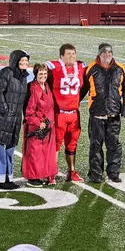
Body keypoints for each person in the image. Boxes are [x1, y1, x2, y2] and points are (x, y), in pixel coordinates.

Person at [82, 43, 125, 183]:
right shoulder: (91, 69)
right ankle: (96, 174)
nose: (107, 56)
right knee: (95, 145)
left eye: (109, 53)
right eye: (104, 53)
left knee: (114, 144)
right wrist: (72, 104)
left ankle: (113, 173)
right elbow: (81, 88)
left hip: (114, 114)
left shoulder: (120, 69)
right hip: (97, 114)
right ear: (99, 54)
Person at [0, 50, 30, 190]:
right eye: (21, 60)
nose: (24, 63)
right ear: (14, 60)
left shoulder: (23, 77)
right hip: (1, 118)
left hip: (14, 119)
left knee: (10, 148)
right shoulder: (5, 72)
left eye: (26, 61)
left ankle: (8, 178)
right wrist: (6, 111)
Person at [46, 43, 87, 182]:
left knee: (72, 144)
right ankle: (51, 173)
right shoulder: (54, 67)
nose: (72, 56)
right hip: (59, 114)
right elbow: (40, 69)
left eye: (73, 54)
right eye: (68, 54)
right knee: (55, 144)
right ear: (61, 56)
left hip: (74, 113)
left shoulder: (81, 67)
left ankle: (72, 172)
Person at [22, 63, 57, 187]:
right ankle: (32, 177)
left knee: (46, 153)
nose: (43, 76)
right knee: (35, 153)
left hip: (49, 126)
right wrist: (38, 123)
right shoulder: (33, 89)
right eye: (40, 74)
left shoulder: (46, 86)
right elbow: (29, 112)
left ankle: (45, 174)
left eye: (45, 74)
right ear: (35, 75)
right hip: (37, 127)